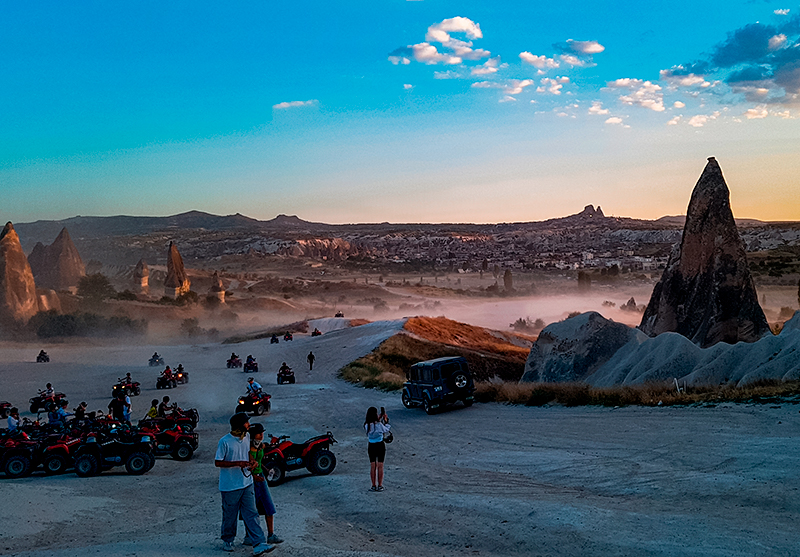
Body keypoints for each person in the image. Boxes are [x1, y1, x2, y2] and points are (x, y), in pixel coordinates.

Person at [214, 412, 274, 555]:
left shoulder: (246, 437)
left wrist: (252, 461)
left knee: (252, 513)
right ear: (240, 425)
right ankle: (228, 540)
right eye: (247, 422)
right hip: (230, 486)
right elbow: (218, 462)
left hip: (247, 483)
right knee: (230, 515)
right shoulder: (225, 441)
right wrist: (237, 463)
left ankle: (259, 543)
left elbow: (247, 452)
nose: (249, 424)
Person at [245, 423, 283, 546]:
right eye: (259, 433)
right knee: (251, 510)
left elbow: (258, 462)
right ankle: (249, 536)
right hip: (251, 480)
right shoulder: (248, 448)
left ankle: (271, 534)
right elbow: (248, 466)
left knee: (268, 506)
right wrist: (254, 476)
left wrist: (266, 471)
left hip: (260, 478)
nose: (261, 435)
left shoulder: (260, 446)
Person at [364, 406, 391, 492]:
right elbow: (386, 429)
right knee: (380, 466)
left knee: (373, 466)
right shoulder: (379, 425)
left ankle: (373, 485)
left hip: (371, 445)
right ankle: (380, 485)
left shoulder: (367, 425)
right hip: (380, 445)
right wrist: (385, 420)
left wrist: (379, 417)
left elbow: (373, 423)